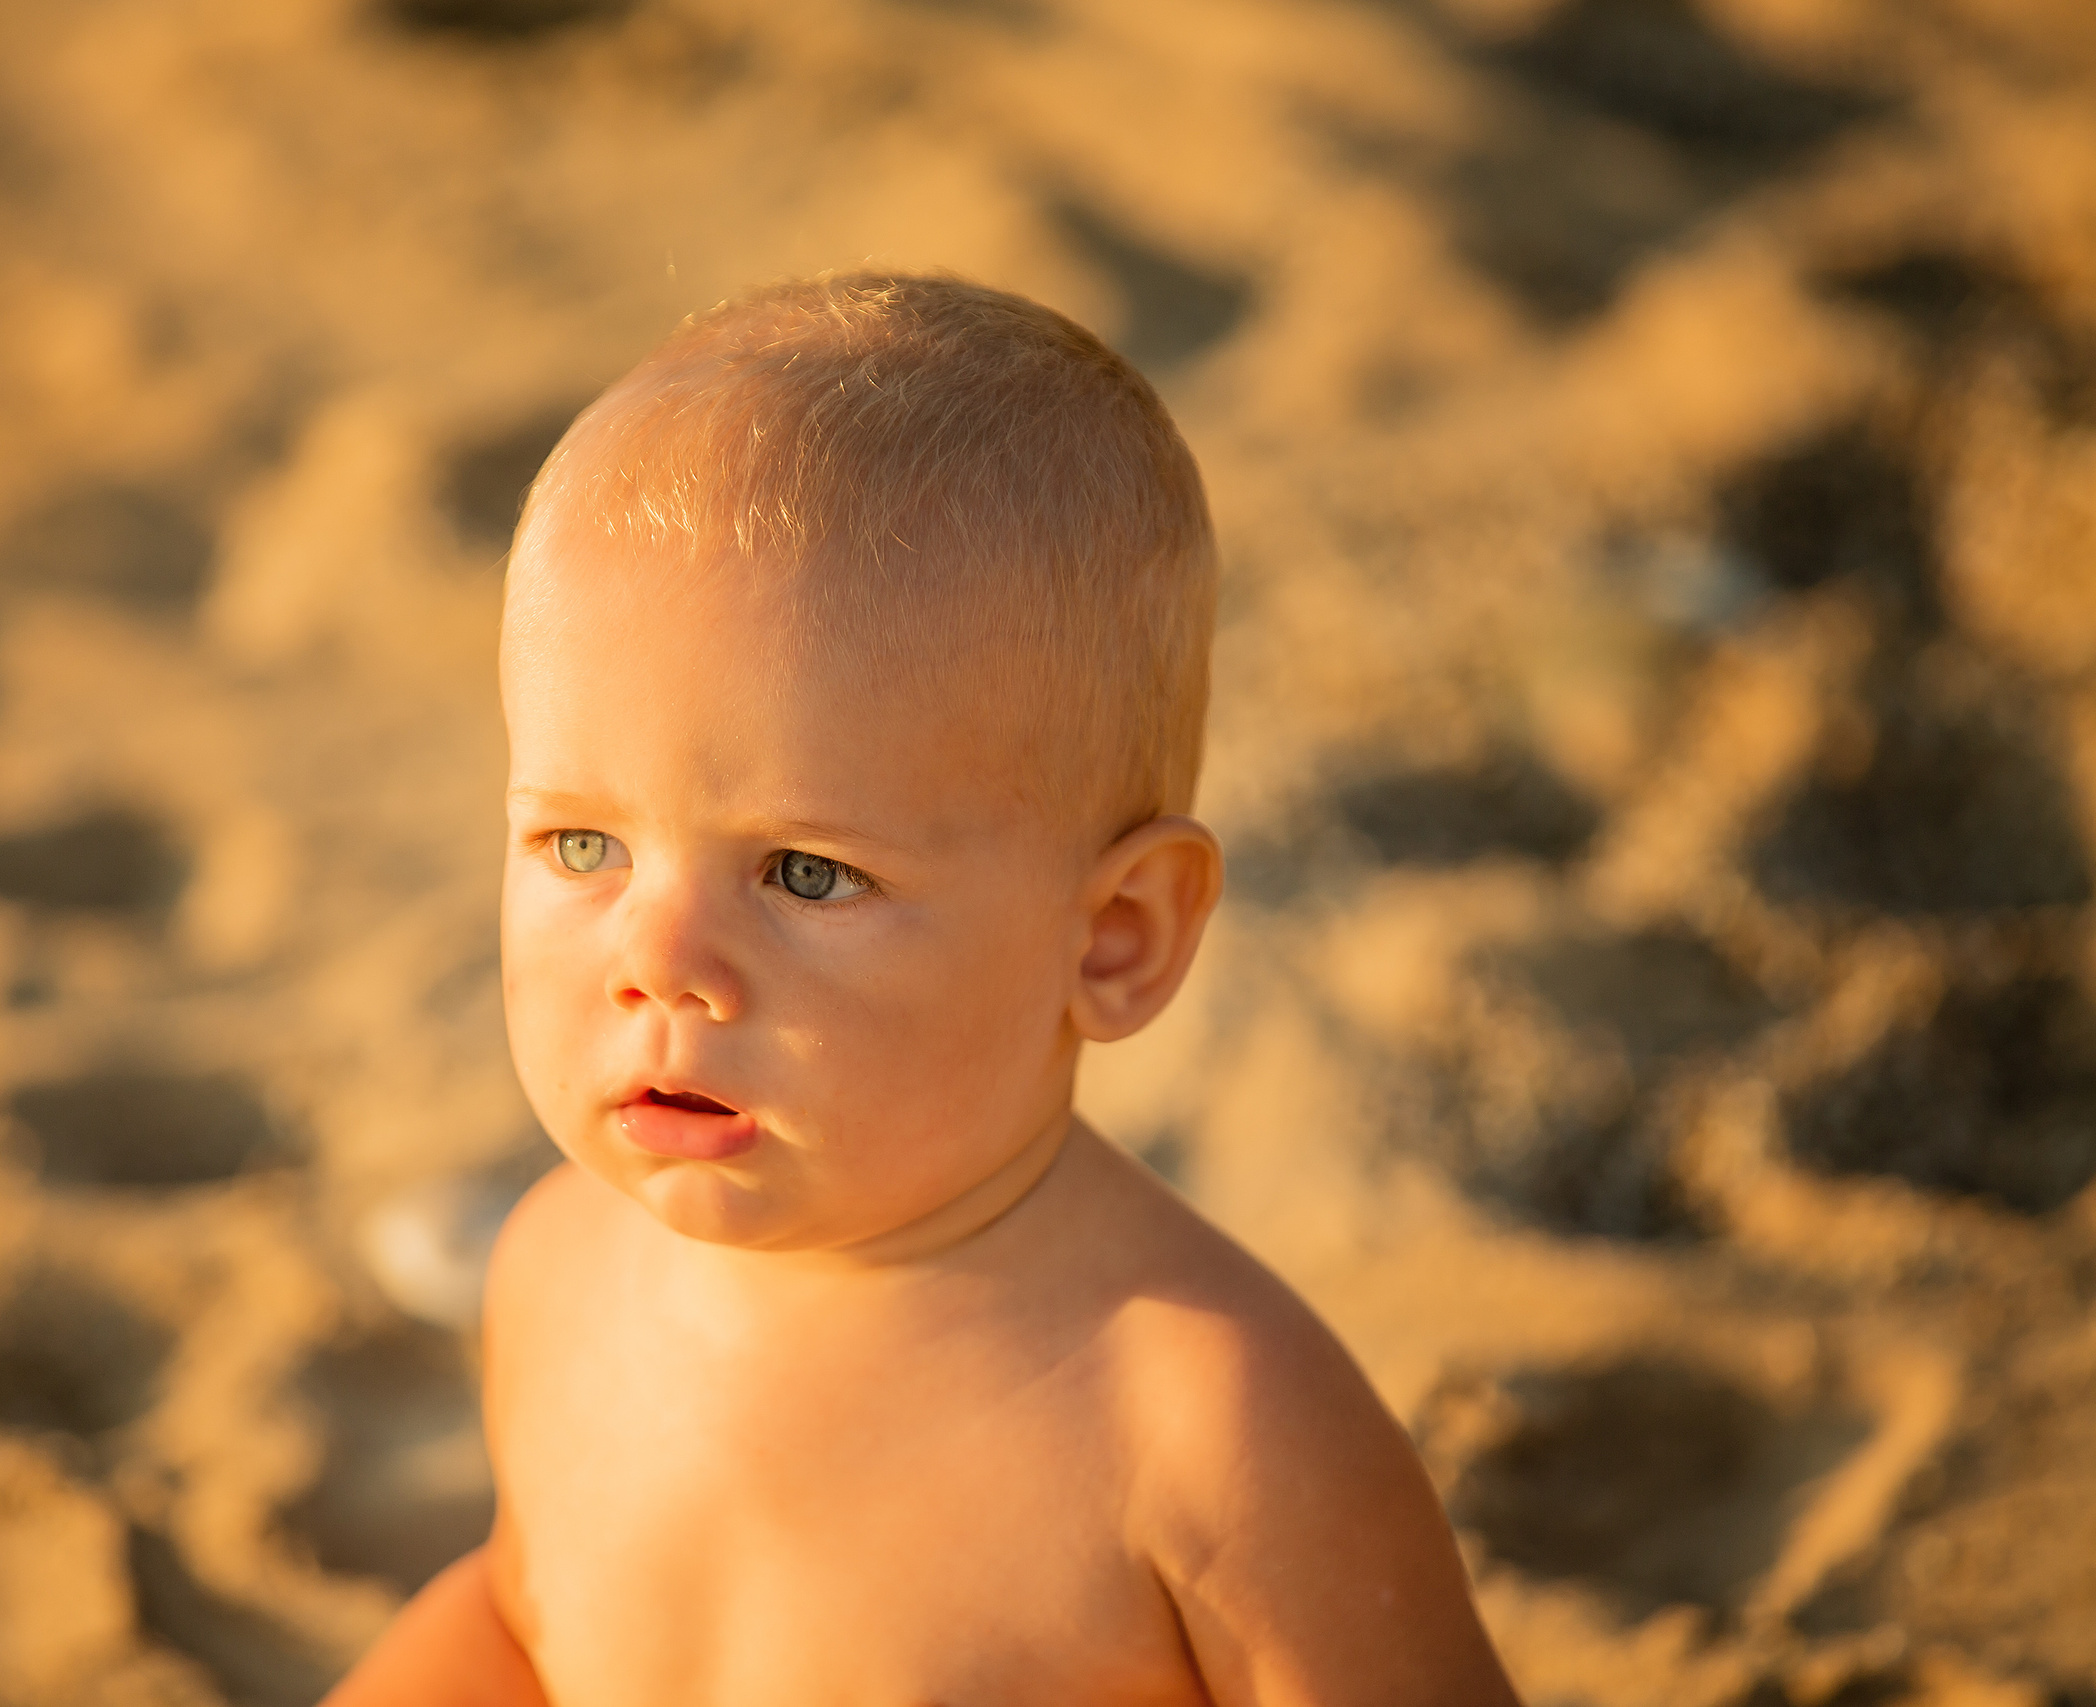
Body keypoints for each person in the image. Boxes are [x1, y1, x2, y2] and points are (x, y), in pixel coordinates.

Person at [322, 273, 1517, 1706]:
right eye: (585, 844)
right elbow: (528, 1627)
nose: (660, 963)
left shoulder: (1203, 1425)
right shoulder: (559, 1270)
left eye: (806, 875)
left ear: (1116, 938)